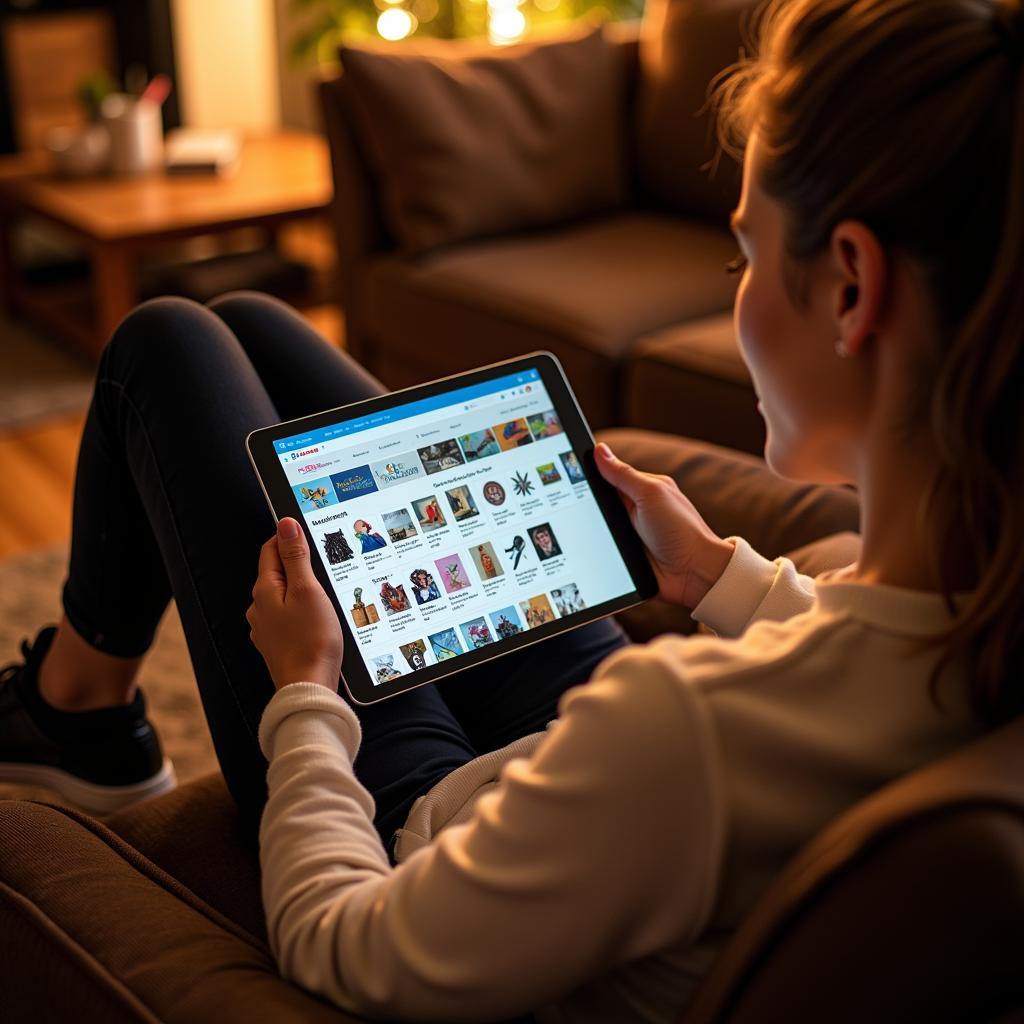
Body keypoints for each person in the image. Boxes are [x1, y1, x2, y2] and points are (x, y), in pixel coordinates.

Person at [1, 0, 1022, 1019]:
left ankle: (80, 713)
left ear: (850, 288)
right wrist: (718, 573)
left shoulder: (687, 732)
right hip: (614, 787)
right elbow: (853, 667)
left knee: (167, 345)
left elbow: (342, 944)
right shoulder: (981, 611)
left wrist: (304, 691)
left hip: (437, 818)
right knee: (258, 327)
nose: (737, 290)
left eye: (743, 256)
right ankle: (79, 710)